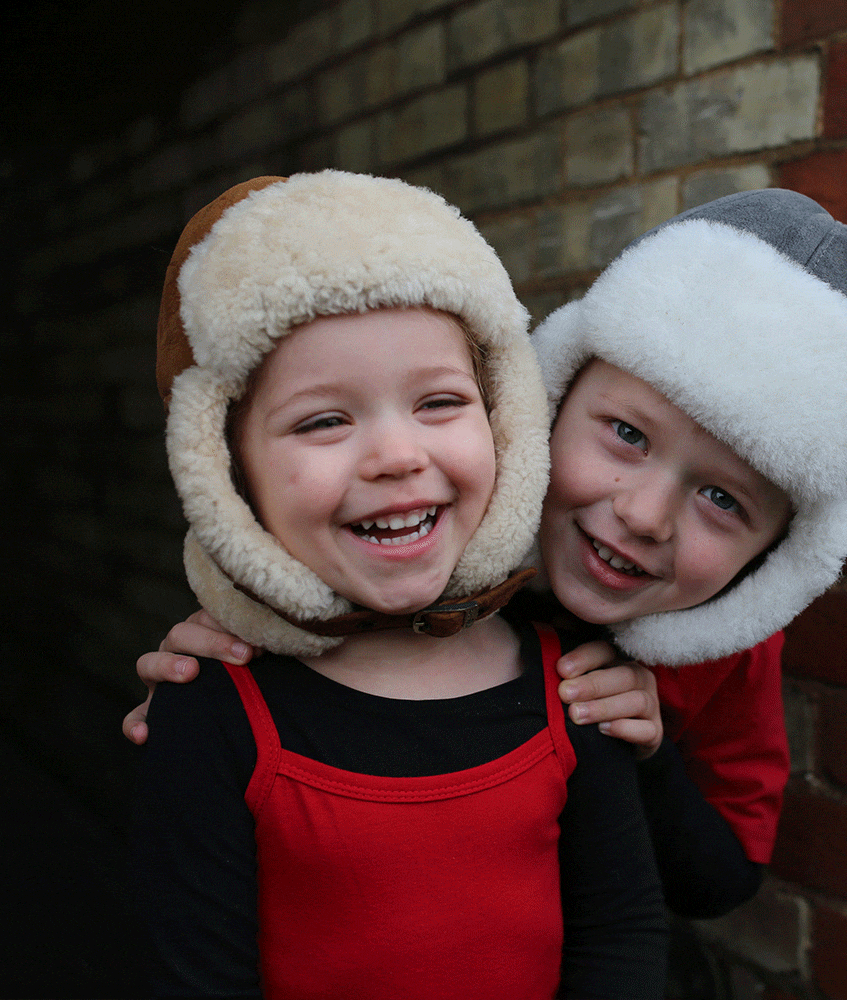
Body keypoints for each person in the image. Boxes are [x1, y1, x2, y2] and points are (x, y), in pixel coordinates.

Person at [130, 188, 847, 921]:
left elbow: (722, 878)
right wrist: (235, 650)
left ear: (774, 556)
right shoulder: (423, 529)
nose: (643, 515)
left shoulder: (731, 654)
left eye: (723, 499)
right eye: (627, 435)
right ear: (550, 398)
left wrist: (649, 756)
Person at [131, 170, 666, 999]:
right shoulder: (211, 712)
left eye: (439, 402)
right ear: (228, 475)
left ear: (505, 417)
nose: (396, 456)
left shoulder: (575, 684)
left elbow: (622, 932)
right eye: (324, 420)